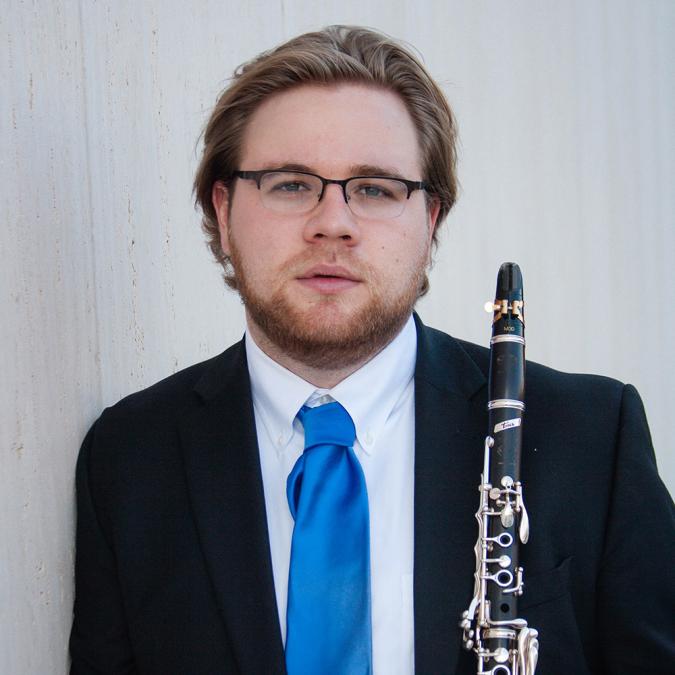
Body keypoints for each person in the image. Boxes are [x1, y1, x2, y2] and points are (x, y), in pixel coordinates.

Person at [69, 25, 674, 675]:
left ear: (430, 219)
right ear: (223, 209)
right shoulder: (130, 458)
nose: (333, 221)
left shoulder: (588, 436)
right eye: (289, 183)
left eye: (376, 188)